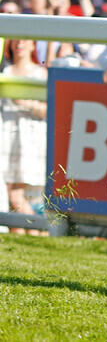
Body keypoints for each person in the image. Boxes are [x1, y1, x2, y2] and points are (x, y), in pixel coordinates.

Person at [0, 39, 47, 235]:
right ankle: (31, 235)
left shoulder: (40, 73)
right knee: (14, 194)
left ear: (32, 45)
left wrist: (25, 102)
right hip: (8, 136)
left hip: (30, 139)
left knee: (19, 195)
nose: (19, 43)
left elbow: (47, 110)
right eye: (16, 40)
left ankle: (38, 233)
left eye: (24, 39)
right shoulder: (6, 72)